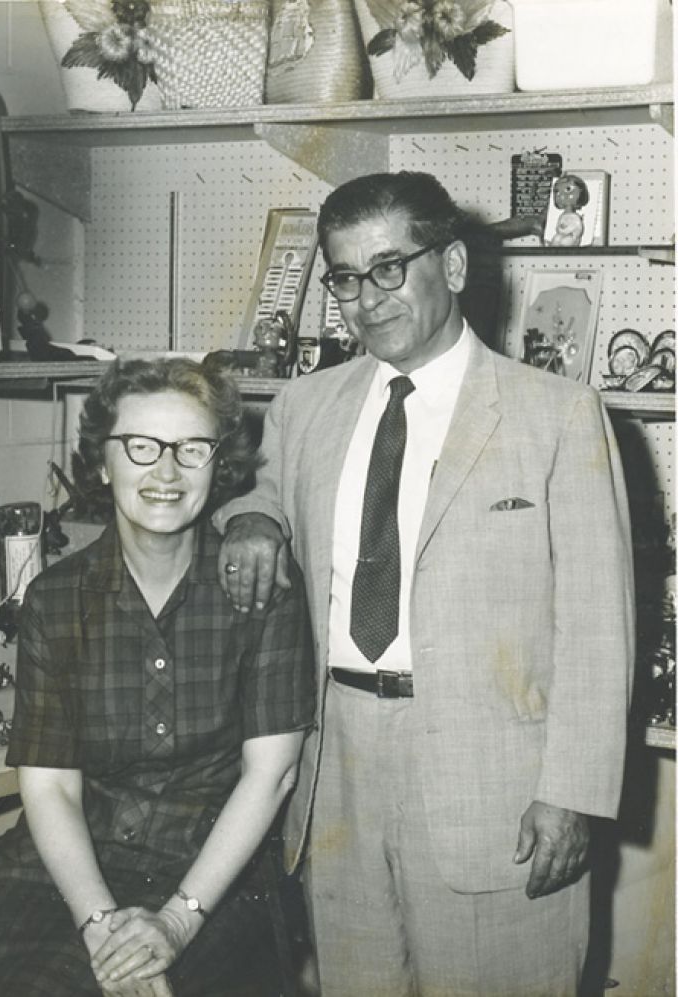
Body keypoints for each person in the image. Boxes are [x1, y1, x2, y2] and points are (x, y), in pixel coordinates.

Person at [215, 171, 634, 996]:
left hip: (497, 783)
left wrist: (572, 795)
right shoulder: (304, 406)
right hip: (337, 773)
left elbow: (597, 624)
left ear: (450, 264)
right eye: (343, 277)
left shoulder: (557, 413)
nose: (366, 299)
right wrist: (253, 519)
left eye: (388, 268)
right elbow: (260, 488)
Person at [0, 356, 315, 997]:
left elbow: (270, 775)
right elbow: (50, 788)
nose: (166, 472)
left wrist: (175, 923)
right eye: (141, 447)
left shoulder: (262, 592)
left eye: (192, 449)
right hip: (66, 869)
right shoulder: (55, 600)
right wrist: (100, 926)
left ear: (220, 466)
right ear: (102, 463)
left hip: (210, 877)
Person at [547, 173, 589, 247]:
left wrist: (566, 230)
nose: (561, 195)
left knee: (566, 242)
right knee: (556, 238)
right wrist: (560, 229)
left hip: (571, 236)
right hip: (561, 235)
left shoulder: (575, 217)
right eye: (557, 192)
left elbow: (578, 228)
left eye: (568, 189)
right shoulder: (562, 215)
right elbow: (558, 227)